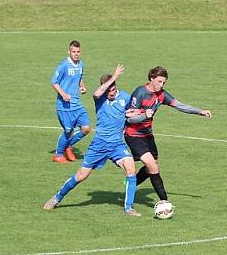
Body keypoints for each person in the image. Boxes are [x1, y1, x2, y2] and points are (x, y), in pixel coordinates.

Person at [44, 65, 142, 216]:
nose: (111, 93)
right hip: (99, 145)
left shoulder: (124, 97)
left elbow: (131, 111)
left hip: (117, 145)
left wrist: (139, 112)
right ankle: (57, 197)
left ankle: (129, 208)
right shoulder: (99, 98)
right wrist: (114, 77)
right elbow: (97, 92)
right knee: (81, 175)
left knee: (131, 169)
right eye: (109, 91)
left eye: (114, 90)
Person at [124, 66, 212, 206]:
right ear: (151, 79)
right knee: (152, 166)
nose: (161, 85)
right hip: (133, 135)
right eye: (159, 81)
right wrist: (144, 116)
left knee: (150, 167)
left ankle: (130, 183)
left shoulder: (162, 95)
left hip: (148, 135)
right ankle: (164, 201)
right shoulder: (140, 93)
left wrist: (199, 111)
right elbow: (129, 118)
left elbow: (179, 105)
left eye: (164, 82)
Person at [51, 40, 91, 164]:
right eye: (73, 52)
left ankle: (68, 146)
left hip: (77, 104)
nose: (76, 54)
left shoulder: (80, 64)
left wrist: (82, 86)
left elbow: (79, 78)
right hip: (64, 106)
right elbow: (54, 82)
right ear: (69, 52)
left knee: (86, 128)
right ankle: (58, 154)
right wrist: (63, 94)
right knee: (68, 131)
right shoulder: (63, 66)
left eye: (78, 52)